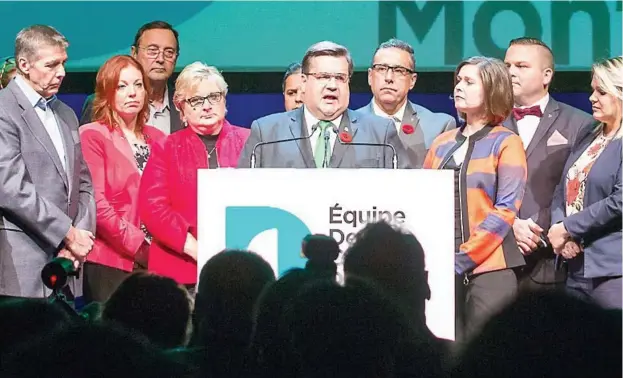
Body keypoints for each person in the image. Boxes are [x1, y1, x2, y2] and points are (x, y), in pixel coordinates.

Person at [423, 56, 527, 341]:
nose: (459, 86)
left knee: (486, 356)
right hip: (440, 269)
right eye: (458, 80)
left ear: (492, 90)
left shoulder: (506, 141)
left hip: (490, 269)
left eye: (469, 82)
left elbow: (506, 210)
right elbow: (422, 200)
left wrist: (462, 259)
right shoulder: (441, 143)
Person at [0, 25, 95, 298]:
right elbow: (10, 188)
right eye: (51, 65)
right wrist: (67, 232)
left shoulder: (66, 113)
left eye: (63, 63)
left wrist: (79, 238)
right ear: (24, 65)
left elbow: (84, 182)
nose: (62, 73)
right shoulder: (4, 109)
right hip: (22, 264)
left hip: (66, 263)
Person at [139, 62, 250, 290]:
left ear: (224, 99)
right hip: (181, 268)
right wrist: (196, 249)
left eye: (213, 97)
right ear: (181, 108)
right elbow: (153, 208)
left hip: (241, 264)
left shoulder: (249, 140)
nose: (207, 106)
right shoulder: (166, 147)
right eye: (196, 100)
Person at [503, 37, 595, 291]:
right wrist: (509, 224)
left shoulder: (580, 124)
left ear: (546, 76)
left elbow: (582, 189)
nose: (511, 72)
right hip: (495, 259)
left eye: (521, 66)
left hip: (551, 262)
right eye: (507, 65)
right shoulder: (489, 120)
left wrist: (562, 233)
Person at [238, 41, 408, 169]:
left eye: (340, 78)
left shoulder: (381, 133)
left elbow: (408, 194)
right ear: (304, 82)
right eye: (323, 77)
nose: (332, 85)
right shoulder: (267, 133)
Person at [79, 55, 167, 302]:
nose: (133, 93)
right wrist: (139, 247)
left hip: (158, 259)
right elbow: (96, 203)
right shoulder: (92, 135)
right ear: (107, 91)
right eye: (122, 86)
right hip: (112, 261)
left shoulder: (158, 138)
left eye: (138, 85)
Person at [548, 56, 623, 309]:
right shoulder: (590, 134)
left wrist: (569, 227)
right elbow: (563, 187)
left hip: (613, 270)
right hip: (575, 266)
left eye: (601, 92)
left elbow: (619, 201)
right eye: (593, 90)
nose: (592, 97)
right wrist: (562, 233)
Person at [357, 39, 455, 168]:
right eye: (381, 69)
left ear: (412, 81)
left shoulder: (439, 127)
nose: (389, 78)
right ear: (370, 76)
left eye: (398, 70)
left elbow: (447, 183)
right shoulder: (349, 123)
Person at [80, 21, 183, 135]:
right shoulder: (102, 103)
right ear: (134, 52)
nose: (160, 59)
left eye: (169, 52)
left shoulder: (185, 103)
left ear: (176, 57)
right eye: (152, 51)